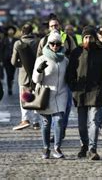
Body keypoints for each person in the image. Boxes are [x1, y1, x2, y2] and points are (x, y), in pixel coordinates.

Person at [67, 26, 102, 160]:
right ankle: (84, 145)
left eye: (90, 37)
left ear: (94, 38)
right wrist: (73, 86)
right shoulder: (76, 52)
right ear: (82, 38)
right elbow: (70, 72)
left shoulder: (101, 52)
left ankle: (92, 149)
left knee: (94, 122)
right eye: (85, 37)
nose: (88, 39)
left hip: (95, 92)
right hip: (80, 93)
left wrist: (101, 86)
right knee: (81, 124)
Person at [33, 31, 69, 159]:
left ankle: (57, 148)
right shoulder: (41, 59)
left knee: (59, 120)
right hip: (45, 93)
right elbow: (35, 80)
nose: (55, 46)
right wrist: (39, 70)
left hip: (61, 93)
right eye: (52, 44)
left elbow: (69, 77)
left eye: (57, 44)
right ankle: (45, 148)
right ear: (48, 44)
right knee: (46, 123)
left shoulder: (65, 60)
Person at [11, 23, 40, 130]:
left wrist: (22, 65)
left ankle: (25, 119)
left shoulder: (18, 43)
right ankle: (36, 121)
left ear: (22, 32)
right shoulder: (38, 42)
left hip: (23, 75)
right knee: (36, 97)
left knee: (24, 97)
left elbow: (14, 62)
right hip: (37, 73)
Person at [1, 25, 18, 96]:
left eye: (12, 30)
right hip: (6, 59)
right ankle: (9, 88)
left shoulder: (16, 40)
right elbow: (1, 50)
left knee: (12, 74)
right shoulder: (4, 40)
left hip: (14, 59)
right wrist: (1, 60)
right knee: (8, 74)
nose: (10, 31)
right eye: (9, 30)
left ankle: (11, 83)